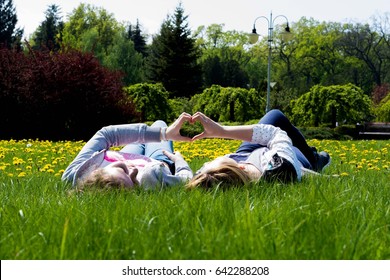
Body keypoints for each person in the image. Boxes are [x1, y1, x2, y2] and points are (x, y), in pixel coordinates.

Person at [187, 109, 331, 189]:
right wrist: (221, 131)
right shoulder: (280, 167)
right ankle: (314, 160)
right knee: (277, 117)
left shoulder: (208, 179)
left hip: (246, 154)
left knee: (273, 115)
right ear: (241, 168)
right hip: (286, 159)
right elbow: (276, 133)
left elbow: (198, 177)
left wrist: (176, 158)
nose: (204, 164)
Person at [62, 113, 194, 190]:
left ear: (96, 172)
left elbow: (106, 134)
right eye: (132, 180)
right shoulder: (152, 177)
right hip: (157, 162)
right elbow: (184, 180)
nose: (133, 171)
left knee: (150, 133)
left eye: (122, 169)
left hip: (124, 155)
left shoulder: (74, 173)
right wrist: (179, 162)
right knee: (159, 122)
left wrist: (164, 134)